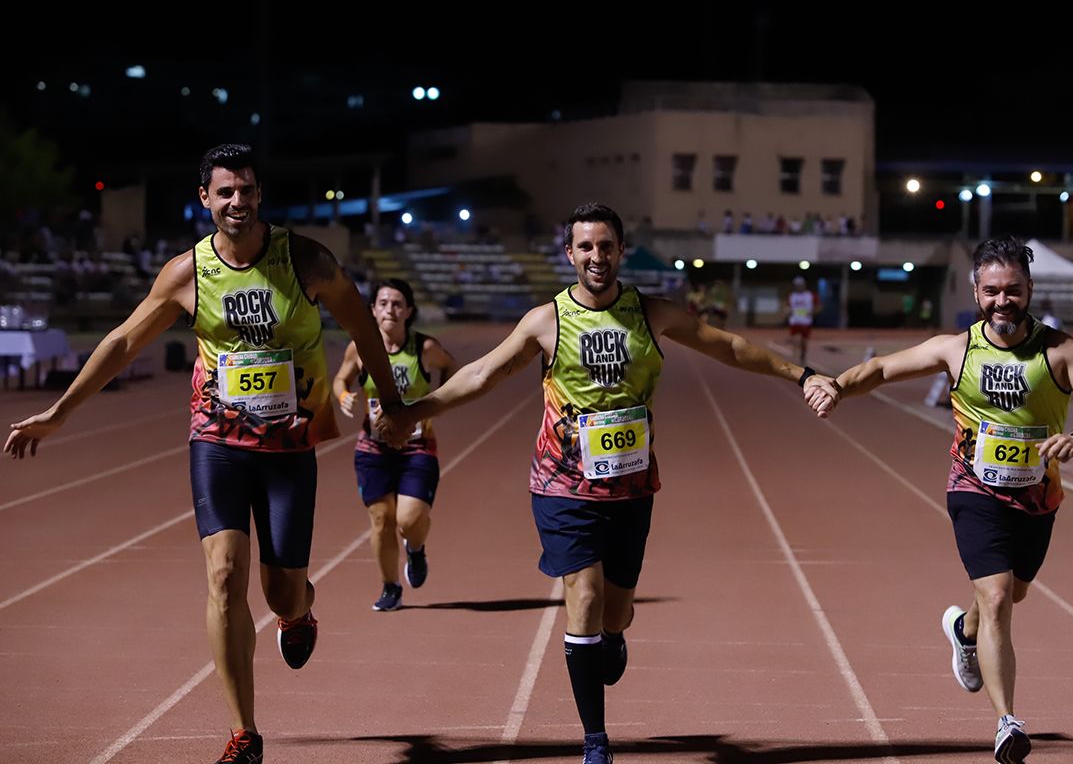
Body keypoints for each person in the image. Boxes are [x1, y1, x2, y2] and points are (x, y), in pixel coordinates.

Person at [4, 143, 408, 764]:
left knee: (282, 594)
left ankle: (301, 613)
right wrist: (60, 413)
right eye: (225, 192)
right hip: (217, 443)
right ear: (205, 200)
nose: (237, 201)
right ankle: (244, 733)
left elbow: (362, 329)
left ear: (259, 194)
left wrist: (395, 406)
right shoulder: (186, 274)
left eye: (246, 189)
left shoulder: (305, 260)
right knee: (223, 578)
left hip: (289, 447)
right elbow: (121, 341)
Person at [393, 202, 828, 764]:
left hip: (630, 488)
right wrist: (413, 410)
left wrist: (801, 374)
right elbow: (482, 373)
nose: (596, 256)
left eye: (606, 246)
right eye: (586, 247)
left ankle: (615, 636)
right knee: (586, 597)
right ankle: (595, 739)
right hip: (561, 486)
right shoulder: (546, 320)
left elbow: (727, 346)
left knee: (615, 611)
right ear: (569, 253)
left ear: (621, 250)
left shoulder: (651, 313)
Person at [804, 237, 1073, 764]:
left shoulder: (1060, 351)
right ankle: (1008, 724)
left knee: (1012, 594)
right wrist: (837, 384)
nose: (1003, 301)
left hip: (1039, 497)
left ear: (1029, 290)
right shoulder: (958, 349)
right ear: (976, 292)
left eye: (1013, 291)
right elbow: (883, 368)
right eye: (992, 291)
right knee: (998, 598)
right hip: (973, 489)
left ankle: (962, 629)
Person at [331, 278, 456, 611]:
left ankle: (415, 550)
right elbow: (341, 377)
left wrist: (435, 401)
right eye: (383, 303)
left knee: (408, 519)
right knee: (382, 519)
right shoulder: (360, 348)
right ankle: (390, 587)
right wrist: (344, 394)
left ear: (409, 311)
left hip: (417, 447)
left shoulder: (424, 349)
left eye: (398, 303)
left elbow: (449, 367)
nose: (390, 309)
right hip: (374, 449)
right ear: (373, 310)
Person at [786, 276, 820, 365]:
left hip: (806, 321)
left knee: (803, 342)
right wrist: (787, 310)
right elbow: (787, 306)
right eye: (797, 285)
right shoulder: (792, 296)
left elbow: (819, 306)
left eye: (800, 285)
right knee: (795, 340)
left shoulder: (810, 295)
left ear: (804, 285)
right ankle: (794, 358)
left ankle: (802, 356)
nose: (799, 287)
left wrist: (813, 312)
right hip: (794, 321)